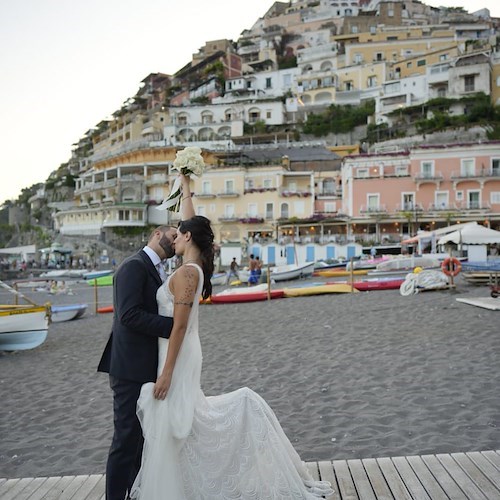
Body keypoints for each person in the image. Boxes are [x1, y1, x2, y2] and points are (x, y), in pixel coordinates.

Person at [130, 215, 333, 500]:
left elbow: (179, 325)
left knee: (179, 419)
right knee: (180, 421)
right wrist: (185, 182)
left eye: (178, 234)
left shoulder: (189, 273)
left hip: (179, 353)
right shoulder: (192, 266)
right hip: (176, 349)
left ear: (188, 237)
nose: (173, 239)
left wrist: (166, 373)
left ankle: (239, 418)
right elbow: (192, 223)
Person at [98, 174, 195, 500]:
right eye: (170, 233)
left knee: (141, 437)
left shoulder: (157, 270)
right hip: (127, 368)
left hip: (145, 366)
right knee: (125, 437)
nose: (174, 238)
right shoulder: (132, 266)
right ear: (156, 234)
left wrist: (186, 189)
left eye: (178, 235)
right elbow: (127, 316)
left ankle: (134, 493)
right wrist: (174, 327)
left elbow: (191, 232)